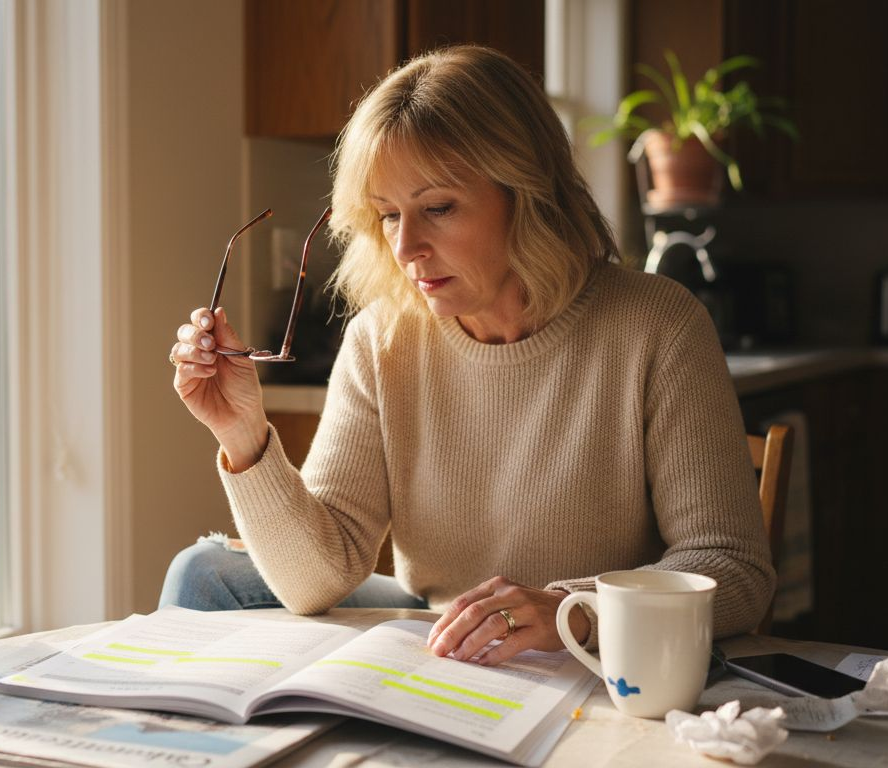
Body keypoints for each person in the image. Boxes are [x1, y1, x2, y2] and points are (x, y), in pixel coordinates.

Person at [161, 45, 774, 667]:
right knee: (202, 572)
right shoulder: (381, 339)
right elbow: (316, 581)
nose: (406, 246)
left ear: (526, 193)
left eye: (438, 208)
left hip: (589, 651)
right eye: (388, 215)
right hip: (442, 633)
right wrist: (243, 434)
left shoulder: (658, 325)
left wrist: (571, 609)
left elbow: (732, 569)